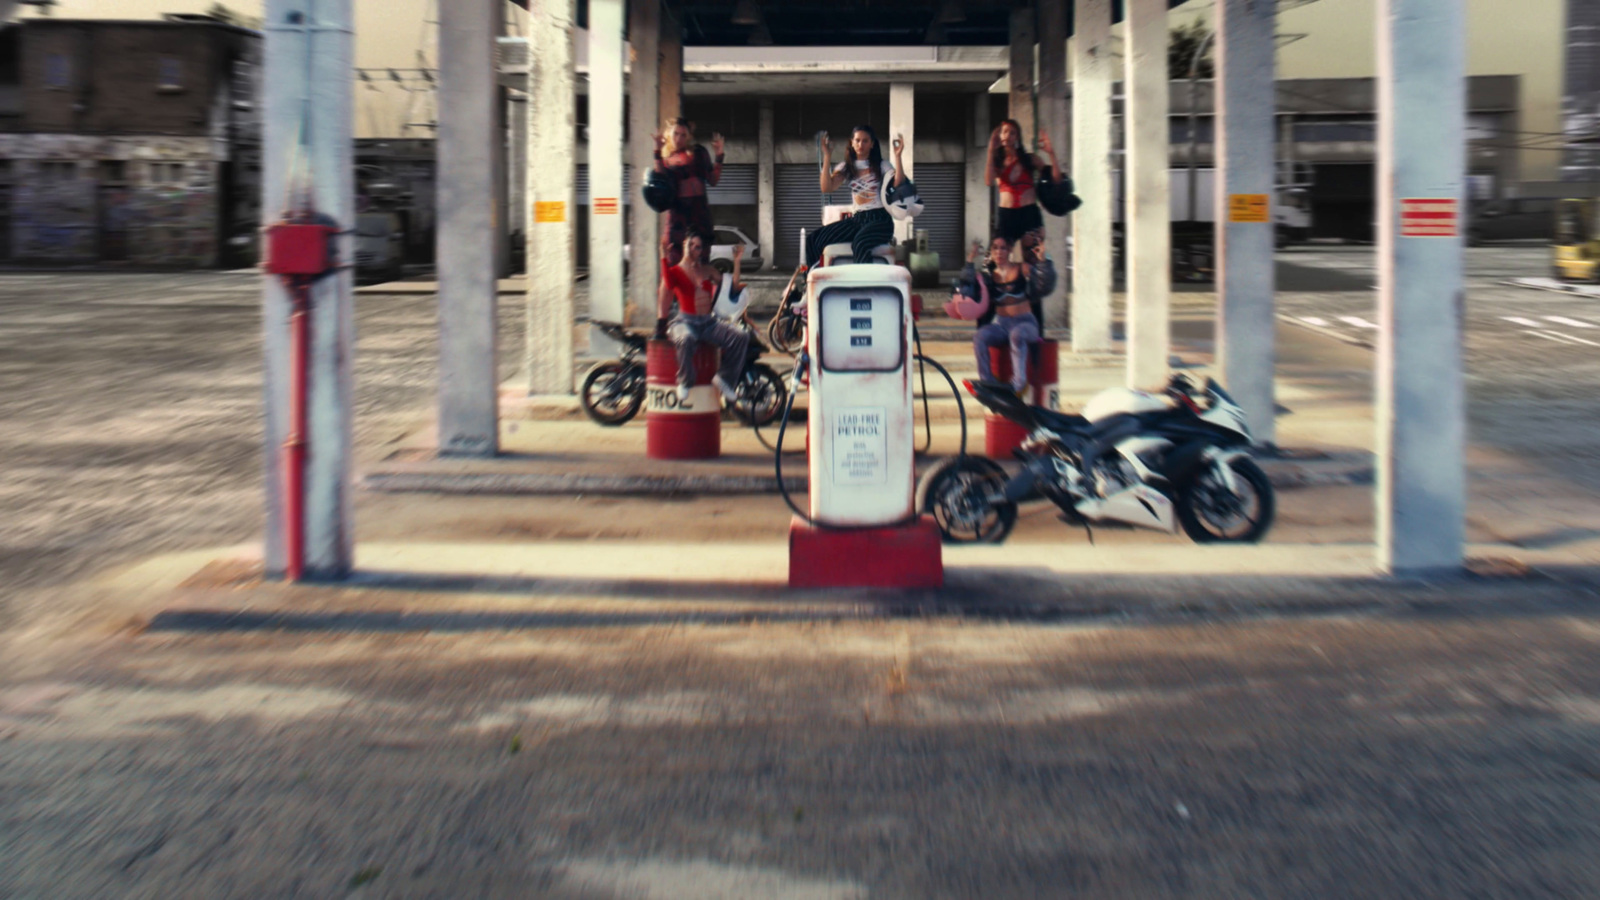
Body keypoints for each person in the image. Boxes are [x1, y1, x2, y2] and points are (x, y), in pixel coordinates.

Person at [657, 232, 748, 406]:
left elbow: (732, 286)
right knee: (685, 338)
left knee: (741, 337)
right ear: (684, 245)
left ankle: (725, 380)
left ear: (701, 251)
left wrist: (737, 261)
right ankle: (685, 380)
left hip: (708, 322)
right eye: (690, 245)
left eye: (697, 247)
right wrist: (663, 257)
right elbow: (668, 284)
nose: (693, 250)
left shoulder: (707, 270)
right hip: (685, 321)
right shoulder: (675, 271)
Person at [805, 125, 906, 268]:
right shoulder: (846, 167)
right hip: (858, 219)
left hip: (880, 219)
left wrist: (898, 156)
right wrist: (827, 156)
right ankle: (811, 280)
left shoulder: (882, 165)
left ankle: (865, 286)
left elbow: (898, 183)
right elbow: (826, 188)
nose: (861, 144)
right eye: (857, 140)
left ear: (872, 144)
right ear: (851, 142)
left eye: (865, 141)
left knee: (860, 243)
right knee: (813, 240)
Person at [966, 235, 1057, 394]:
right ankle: (988, 381)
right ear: (991, 252)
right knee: (980, 337)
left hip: (1025, 323)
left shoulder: (1022, 268)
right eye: (995, 248)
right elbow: (968, 290)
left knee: (1017, 336)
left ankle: (1018, 382)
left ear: (1009, 251)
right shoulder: (989, 276)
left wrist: (1043, 261)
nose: (999, 252)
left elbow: (1044, 285)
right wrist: (970, 260)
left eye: (1003, 248)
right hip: (1002, 324)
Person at [653, 118, 723, 265]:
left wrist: (719, 155)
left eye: (683, 135)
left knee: (701, 260)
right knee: (674, 260)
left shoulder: (699, 153)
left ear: (689, 136)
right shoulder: (666, 158)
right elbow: (659, 182)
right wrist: (657, 152)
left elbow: (713, 180)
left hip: (699, 212)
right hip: (677, 215)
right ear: (670, 135)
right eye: (676, 134)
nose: (679, 138)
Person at [986, 119, 1060, 249]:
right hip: (1006, 215)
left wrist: (1051, 153)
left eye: (1012, 133)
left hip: (1029, 214)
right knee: (993, 262)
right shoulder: (997, 162)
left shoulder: (1029, 159)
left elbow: (1056, 179)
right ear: (1000, 136)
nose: (1007, 136)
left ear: (1017, 137)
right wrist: (991, 150)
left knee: (1034, 262)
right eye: (1004, 132)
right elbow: (988, 181)